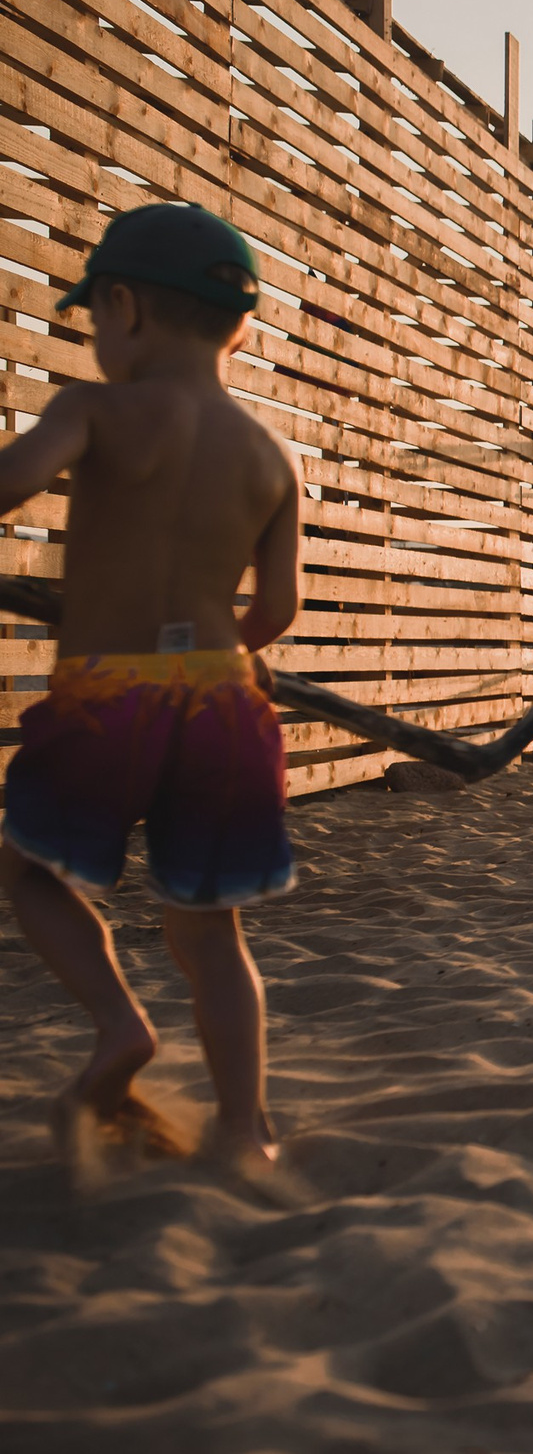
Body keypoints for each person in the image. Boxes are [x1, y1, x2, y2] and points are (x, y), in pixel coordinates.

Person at [0, 203, 303, 1183]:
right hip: (222, 697)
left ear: (122, 306)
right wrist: (229, 654)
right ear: (241, 326)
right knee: (212, 926)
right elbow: (277, 608)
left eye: (96, 313)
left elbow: (11, 483)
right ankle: (245, 1125)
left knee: (31, 870)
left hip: (107, 694)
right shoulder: (273, 455)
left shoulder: (94, 410)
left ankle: (121, 1024)